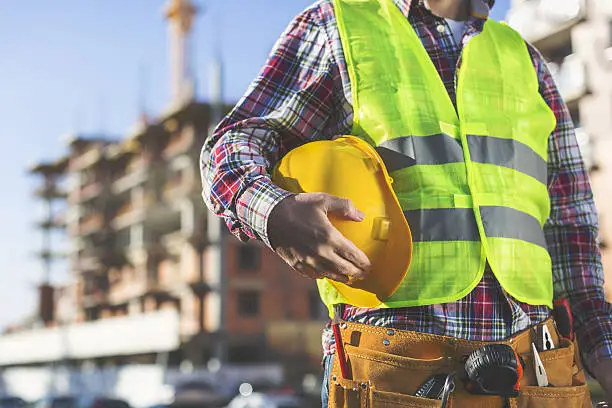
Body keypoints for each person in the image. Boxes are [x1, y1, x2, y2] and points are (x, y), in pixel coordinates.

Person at [201, 0, 612, 406]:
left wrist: (601, 344)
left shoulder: (525, 59)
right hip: (397, 374)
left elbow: (569, 222)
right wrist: (276, 212)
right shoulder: (337, 28)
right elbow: (230, 147)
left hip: (538, 373)